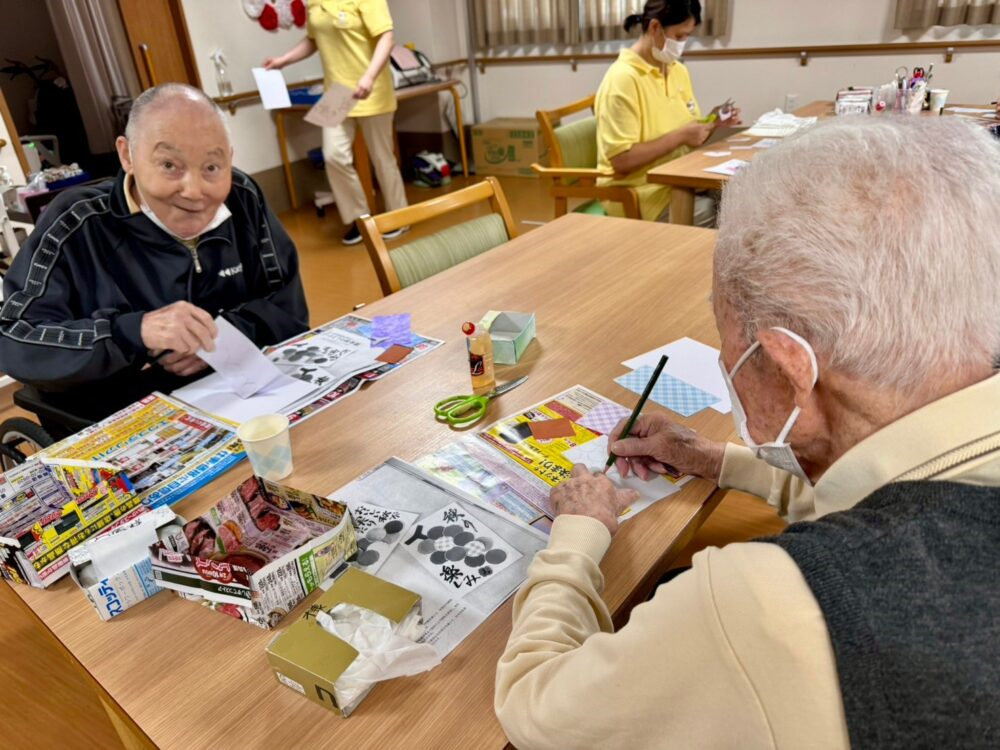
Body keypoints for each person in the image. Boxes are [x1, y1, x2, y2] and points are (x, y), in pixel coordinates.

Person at [495, 116, 1000, 748]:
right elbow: (885, 494)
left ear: (792, 372)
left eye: (729, 348)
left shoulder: (760, 604)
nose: (727, 366)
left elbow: (536, 707)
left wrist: (577, 532)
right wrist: (713, 458)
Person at [0, 84, 309, 430]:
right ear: (127, 155)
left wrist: (222, 337)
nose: (194, 192)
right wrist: (134, 332)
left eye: (211, 166)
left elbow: (288, 308)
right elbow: (15, 338)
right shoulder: (75, 221)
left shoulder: (242, 197)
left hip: (235, 400)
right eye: (169, 165)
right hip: (120, 421)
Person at [265, 0, 408, 246]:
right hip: (336, 92)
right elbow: (313, 39)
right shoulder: (315, 3)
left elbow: (386, 38)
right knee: (333, 156)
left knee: (382, 158)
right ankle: (360, 220)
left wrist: (370, 76)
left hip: (371, 87)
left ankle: (399, 217)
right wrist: (284, 60)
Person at [595, 0, 741, 225]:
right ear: (655, 28)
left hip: (681, 178)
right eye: (680, 36)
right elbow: (621, 161)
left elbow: (688, 134)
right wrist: (681, 136)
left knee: (741, 199)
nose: (683, 44)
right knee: (721, 215)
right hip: (641, 193)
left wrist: (713, 122)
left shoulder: (677, 70)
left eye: (687, 37)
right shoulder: (623, 79)